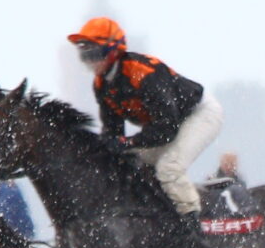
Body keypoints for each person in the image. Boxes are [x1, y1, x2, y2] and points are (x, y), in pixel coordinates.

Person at [67, 17, 224, 217]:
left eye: (94, 53)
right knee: (132, 163)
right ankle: (161, 216)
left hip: (200, 114)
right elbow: (112, 133)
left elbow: (166, 128)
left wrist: (128, 141)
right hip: (169, 124)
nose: (90, 61)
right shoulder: (101, 85)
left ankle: (195, 227)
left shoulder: (144, 74)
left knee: (169, 167)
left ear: (113, 50)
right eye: (84, 55)